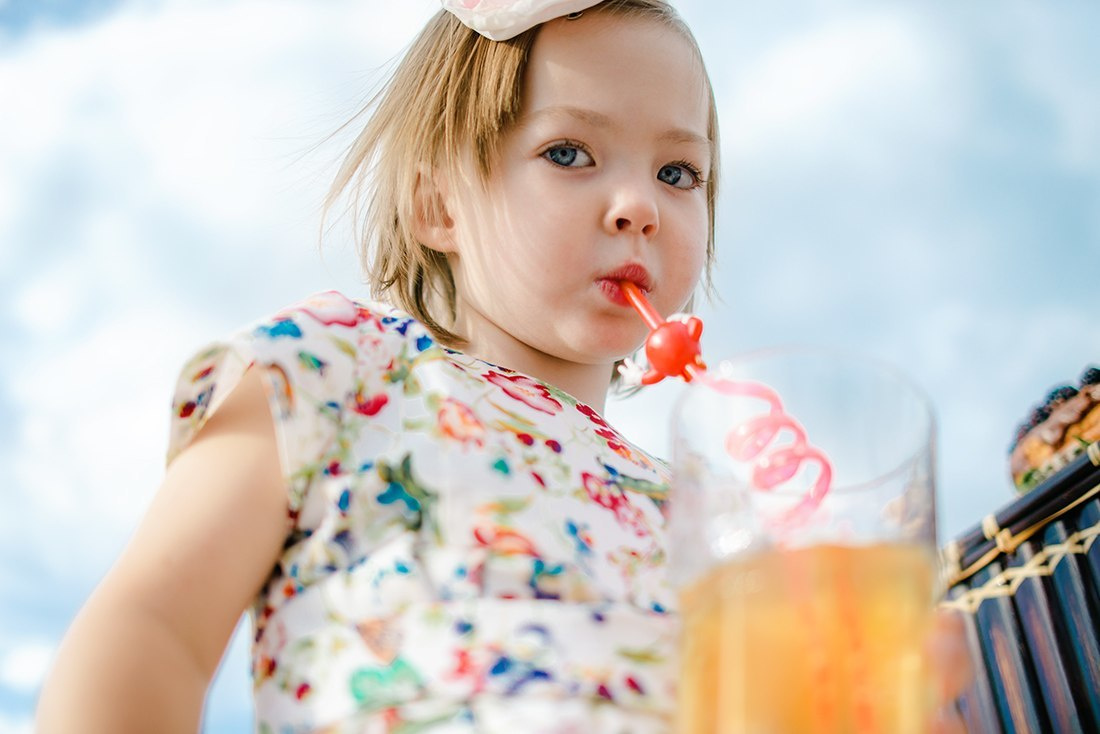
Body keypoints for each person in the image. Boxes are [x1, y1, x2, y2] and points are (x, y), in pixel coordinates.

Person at [36, 1, 970, 731]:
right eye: (570, 152)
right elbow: (153, 629)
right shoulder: (343, 366)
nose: (639, 205)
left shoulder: (703, 519)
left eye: (679, 173)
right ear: (438, 206)